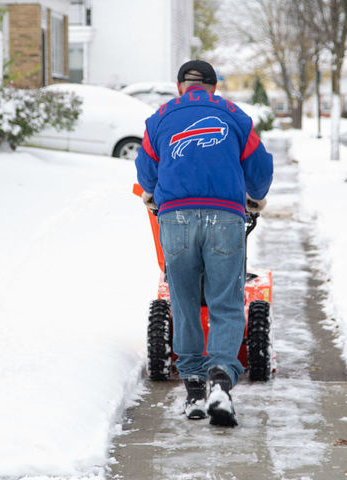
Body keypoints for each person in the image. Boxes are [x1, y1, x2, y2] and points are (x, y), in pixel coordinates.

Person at [135, 60, 273, 427]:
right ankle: (220, 382)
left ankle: (194, 389)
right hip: (226, 216)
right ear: (213, 87)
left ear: (181, 86)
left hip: (175, 218)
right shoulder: (235, 116)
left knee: (181, 299)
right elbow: (260, 167)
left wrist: (153, 195)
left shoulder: (159, 118)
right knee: (226, 302)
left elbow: (146, 169)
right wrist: (255, 197)